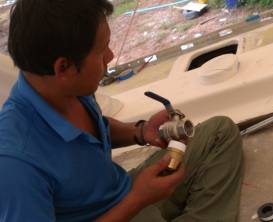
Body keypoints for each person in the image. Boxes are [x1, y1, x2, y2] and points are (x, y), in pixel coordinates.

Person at [0, 0, 244, 221]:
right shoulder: (16, 164)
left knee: (220, 132)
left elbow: (93, 129)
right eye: (101, 50)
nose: (111, 55)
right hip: (120, 209)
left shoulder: (65, 87)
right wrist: (136, 200)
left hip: (123, 190)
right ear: (63, 68)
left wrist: (140, 132)